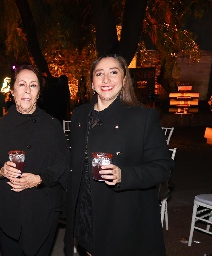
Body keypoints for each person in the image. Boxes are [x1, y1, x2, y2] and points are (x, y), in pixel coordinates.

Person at [64, 55, 174, 256]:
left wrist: (125, 175)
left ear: (124, 81)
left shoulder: (142, 117)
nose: (106, 80)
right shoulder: (80, 114)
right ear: (92, 82)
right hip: (86, 212)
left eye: (113, 72)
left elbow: (162, 167)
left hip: (122, 216)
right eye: (99, 74)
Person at [0, 64, 69, 256]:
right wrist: (1, 171)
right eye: (22, 84)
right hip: (7, 210)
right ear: (12, 91)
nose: (27, 90)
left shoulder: (52, 125)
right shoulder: (0, 127)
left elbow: (63, 164)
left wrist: (40, 179)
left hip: (42, 210)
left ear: (38, 93)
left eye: (33, 85)